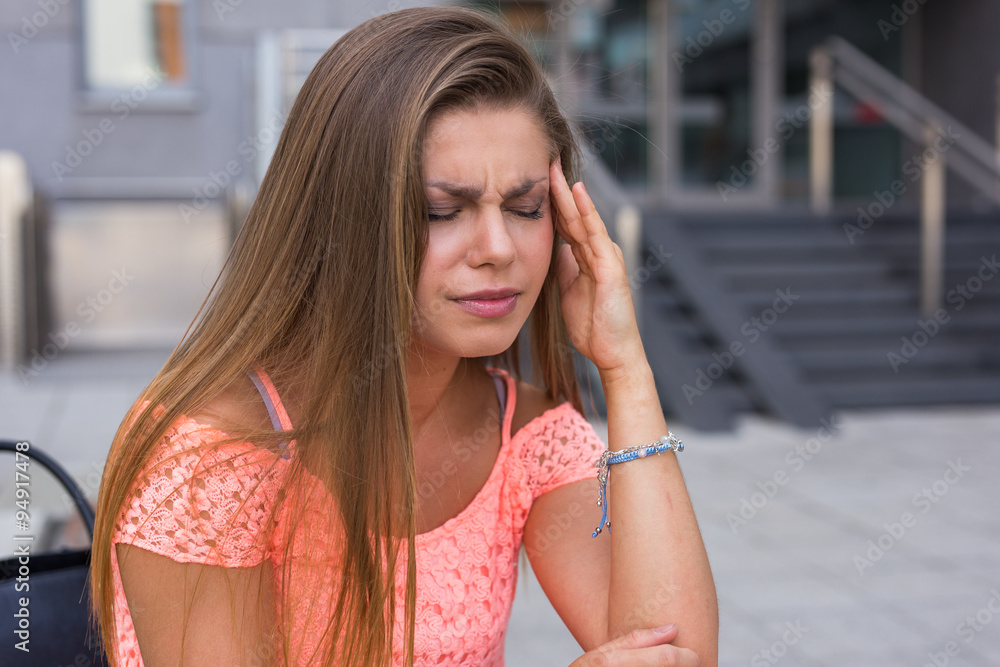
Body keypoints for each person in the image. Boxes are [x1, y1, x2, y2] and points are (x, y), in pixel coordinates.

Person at [90, 6, 718, 666]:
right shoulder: (211, 459)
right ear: (346, 219)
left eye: (526, 207)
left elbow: (677, 653)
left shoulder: (526, 437)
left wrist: (626, 368)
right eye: (441, 210)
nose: (498, 247)